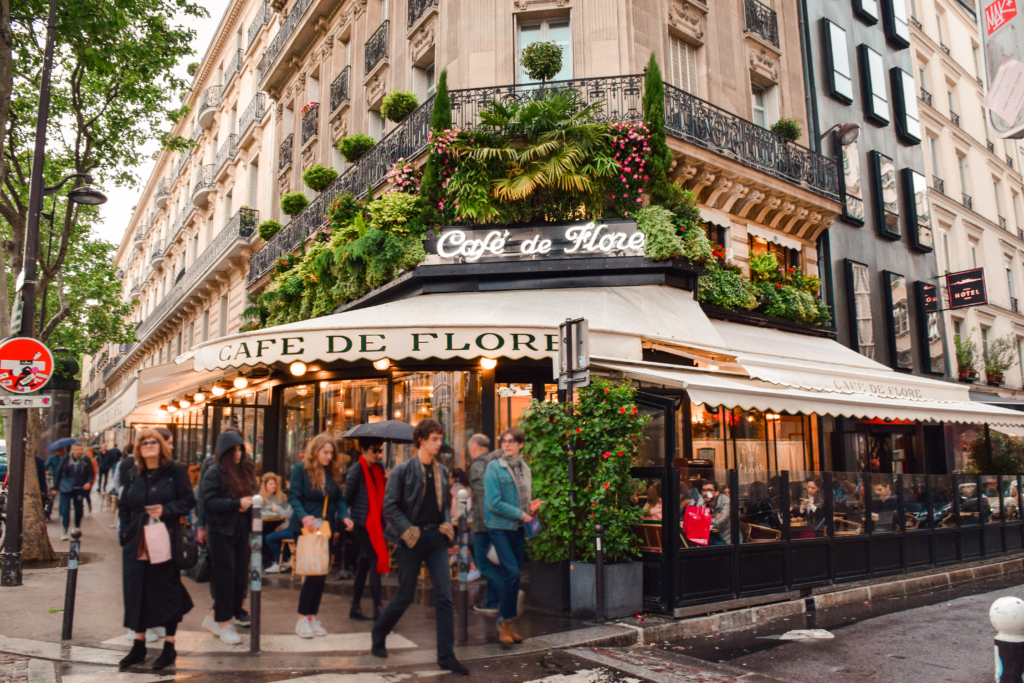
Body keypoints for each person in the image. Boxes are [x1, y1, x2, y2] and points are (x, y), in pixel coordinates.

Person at [371, 419, 468, 676]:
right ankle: (379, 633)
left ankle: (446, 656)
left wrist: (447, 524)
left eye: (440, 438)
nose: (439, 443)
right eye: (434, 438)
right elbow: (390, 507)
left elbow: (445, 503)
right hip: (411, 539)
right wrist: (408, 530)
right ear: (421, 440)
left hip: (435, 538)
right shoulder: (403, 471)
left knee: (445, 597)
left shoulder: (442, 472)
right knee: (405, 594)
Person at [117, 429, 195, 670]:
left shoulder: (175, 471)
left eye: (153, 442)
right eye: (143, 442)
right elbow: (124, 505)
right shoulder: (133, 472)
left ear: (161, 446)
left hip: (164, 536)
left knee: (166, 589)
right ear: (138, 448)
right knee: (135, 589)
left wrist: (166, 509)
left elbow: (188, 500)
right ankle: (138, 645)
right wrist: (126, 533)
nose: (148, 445)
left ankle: (169, 646)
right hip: (136, 538)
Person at [287, 433, 353, 638]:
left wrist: (344, 517)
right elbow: (293, 497)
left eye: (331, 453)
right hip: (307, 528)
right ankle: (301, 619)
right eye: (325, 452)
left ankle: (311, 617)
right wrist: (304, 516)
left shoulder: (331, 472)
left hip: (324, 527)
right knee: (313, 574)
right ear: (315, 451)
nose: (328, 456)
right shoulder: (301, 470)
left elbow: (339, 499)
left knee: (321, 574)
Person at [484, 428, 543, 645]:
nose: (506, 445)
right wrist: (522, 514)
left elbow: (520, 498)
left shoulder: (524, 468)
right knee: (512, 573)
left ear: (520, 445)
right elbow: (494, 503)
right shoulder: (494, 468)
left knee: (514, 576)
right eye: (503, 441)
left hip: (518, 528)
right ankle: (505, 624)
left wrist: (529, 506)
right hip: (499, 527)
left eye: (511, 441)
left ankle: (506, 621)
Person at [200, 430, 256, 645]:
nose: (238, 453)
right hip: (220, 531)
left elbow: (251, 493)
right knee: (224, 577)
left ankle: (214, 617)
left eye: (240, 448)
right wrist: (237, 505)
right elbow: (209, 502)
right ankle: (224, 622)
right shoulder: (214, 473)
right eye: (233, 449)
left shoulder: (245, 471)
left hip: (240, 530)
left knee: (238, 576)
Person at [345, 437, 388, 621]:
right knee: (375, 559)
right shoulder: (356, 471)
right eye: (373, 449)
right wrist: (346, 519)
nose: (376, 454)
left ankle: (355, 607)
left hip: (376, 523)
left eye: (379, 449)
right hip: (362, 524)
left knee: (364, 565)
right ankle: (378, 607)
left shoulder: (378, 470)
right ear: (363, 450)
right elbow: (346, 498)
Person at [467, 433, 502, 614]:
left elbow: (482, 497)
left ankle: (509, 591)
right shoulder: (495, 461)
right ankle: (490, 601)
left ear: (474, 447)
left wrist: (486, 524)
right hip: (499, 520)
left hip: (485, 524)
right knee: (493, 562)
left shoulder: (478, 465)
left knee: (482, 563)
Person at [56, 442, 94, 541]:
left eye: (81, 449)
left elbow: (91, 473)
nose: (80, 451)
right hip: (66, 488)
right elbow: (59, 472)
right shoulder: (66, 458)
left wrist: (89, 482)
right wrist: (55, 488)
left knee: (79, 508)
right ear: (73, 450)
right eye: (78, 450)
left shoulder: (86, 460)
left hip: (79, 488)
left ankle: (77, 527)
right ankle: (64, 530)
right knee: (65, 509)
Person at [260, 473, 294, 573]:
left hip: (282, 523)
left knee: (270, 535)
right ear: (265, 486)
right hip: (270, 522)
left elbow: (288, 515)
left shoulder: (282, 497)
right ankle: (274, 560)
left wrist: (277, 509)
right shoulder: (260, 498)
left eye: (274, 483)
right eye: (270, 484)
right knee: (265, 530)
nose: (273, 486)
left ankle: (280, 560)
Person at [701, 480, 730, 546]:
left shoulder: (725, 501)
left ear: (717, 493)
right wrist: (713, 518)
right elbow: (696, 520)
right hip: (709, 537)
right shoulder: (702, 501)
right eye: (703, 490)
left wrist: (706, 518)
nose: (705, 493)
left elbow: (718, 523)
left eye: (709, 490)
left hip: (726, 540)